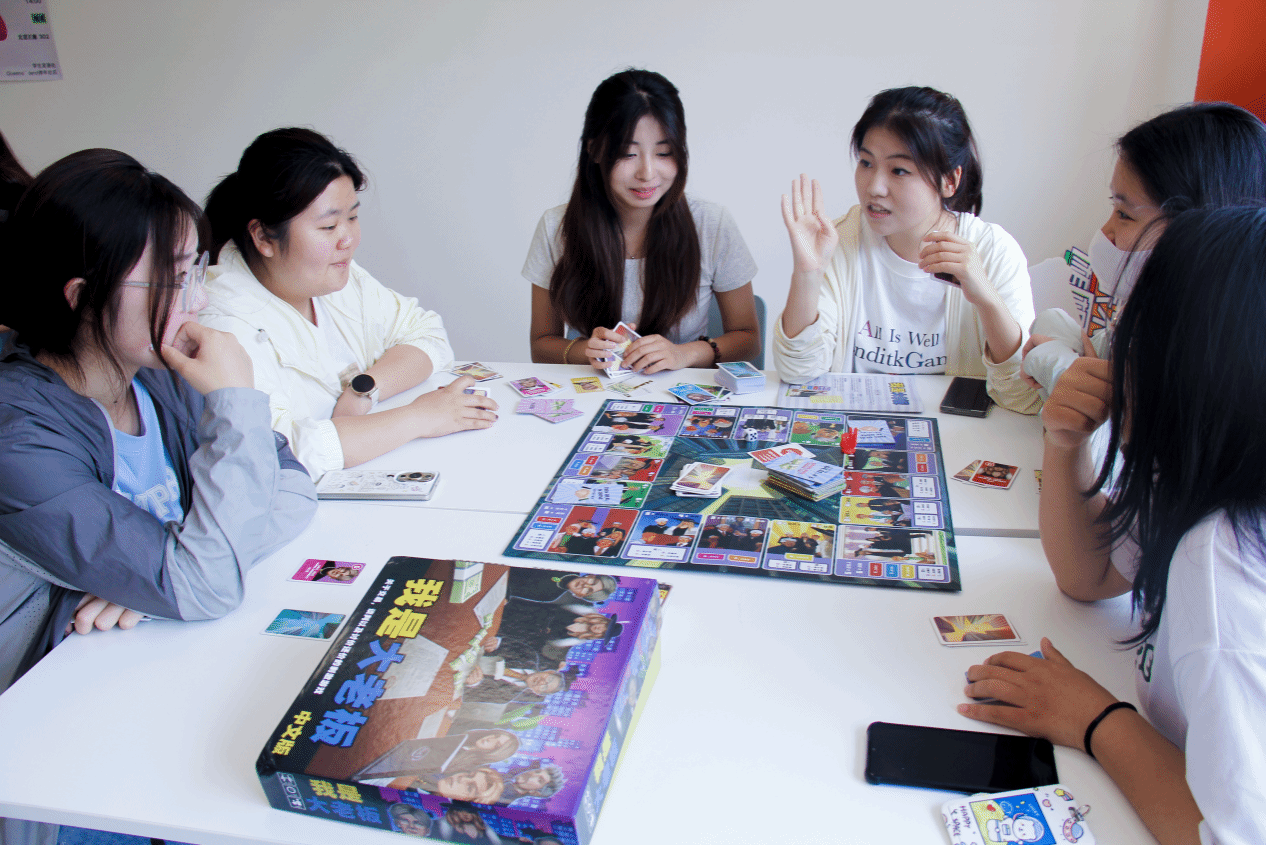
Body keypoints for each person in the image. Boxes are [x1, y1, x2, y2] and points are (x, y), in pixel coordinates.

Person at [959, 206, 1266, 844]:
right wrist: (1064, 443)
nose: (1102, 346)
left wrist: (1097, 719)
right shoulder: (1186, 479)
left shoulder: (1223, 556)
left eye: (1129, 327)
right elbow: (1088, 575)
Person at [0, 149, 317, 693]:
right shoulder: (18, 435)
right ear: (83, 297)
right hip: (58, 695)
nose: (198, 298)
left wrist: (165, 577)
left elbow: (293, 484)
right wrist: (236, 400)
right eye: (173, 278)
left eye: (196, 269)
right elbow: (205, 585)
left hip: (158, 655)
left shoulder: (160, 373)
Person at [201, 127, 497, 479]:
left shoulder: (332, 275)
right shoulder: (221, 323)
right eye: (329, 226)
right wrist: (420, 417)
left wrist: (362, 392)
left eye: (352, 218)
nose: (348, 240)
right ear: (264, 236)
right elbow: (278, 452)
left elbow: (427, 334)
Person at [773, 86, 1039, 413]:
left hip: (960, 437)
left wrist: (985, 297)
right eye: (866, 163)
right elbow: (798, 372)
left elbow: (1023, 396)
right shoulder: (838, 241)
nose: (874, 187)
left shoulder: (994, 251)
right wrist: (808, 273)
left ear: (949, 180)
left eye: (899, 170)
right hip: (857, 430)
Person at [1023, 102, 1266, 398]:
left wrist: (1068, 377)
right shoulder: (1142, 319)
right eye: (1114, 208)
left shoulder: (1212, 365)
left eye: (1124, 214)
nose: (1106, 232)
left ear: (1199, 230)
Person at [525, 69, 761, 372]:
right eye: (627, 154)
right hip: (595, 388)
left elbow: (748, 340)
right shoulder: (556, 227)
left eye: (664, 152)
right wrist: (585, 351)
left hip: (682, 390)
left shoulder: (712, 224)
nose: (647, 173)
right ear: (594, 149)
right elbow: (541, 344)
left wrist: (684, 354)